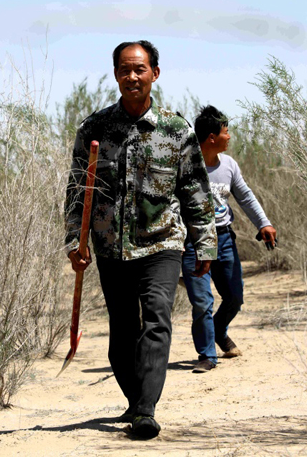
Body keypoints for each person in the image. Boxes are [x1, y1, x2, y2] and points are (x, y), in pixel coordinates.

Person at [64, 41, 217, 439]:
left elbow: (195, 191)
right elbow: (78, 190)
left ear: (155, 74)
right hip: (111, 247)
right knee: (121, 335)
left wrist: (204, 243)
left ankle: (146, 410)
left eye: (140, 69)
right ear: (115, 74)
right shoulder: (94, 129)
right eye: (124, 70)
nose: (132, 77)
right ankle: (135, 400)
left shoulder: (175, 129)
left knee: (157, 318)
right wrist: (72, 243)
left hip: (161, 243)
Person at [181, 105, 277, 373]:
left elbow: (245, 196)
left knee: (234, 297)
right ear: (212, 137)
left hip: (223, 239)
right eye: (226, 131)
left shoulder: (229, 166)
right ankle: (207, 355)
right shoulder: (185, 166)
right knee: (202, 301)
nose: (229, 136)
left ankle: (220, 331)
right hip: (192, 242)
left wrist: (264, 223)